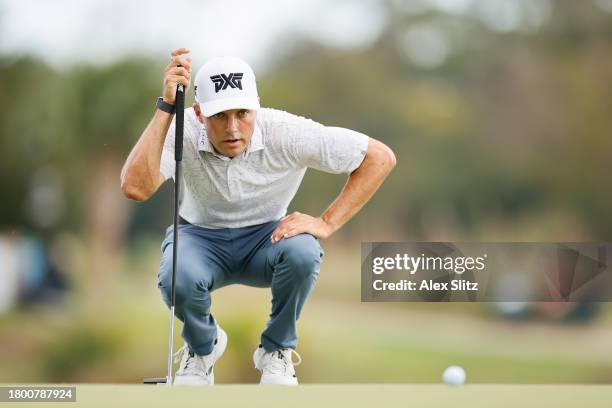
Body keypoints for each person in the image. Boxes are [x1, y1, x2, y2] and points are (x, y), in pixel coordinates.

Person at [120, 47, 396, 385]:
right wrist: (165, 108)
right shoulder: (184, 130)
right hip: (200, 237)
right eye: (220, 115)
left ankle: (276, 351)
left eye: (243, 113)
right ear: (199, 113)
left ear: (257, 107)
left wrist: (327, 222)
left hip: (268, 238)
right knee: (177, 276)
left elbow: (379, 158)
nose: (233, 127)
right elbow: (135, 187)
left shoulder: (287, 131)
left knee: (304, 252)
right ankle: (203, 348)